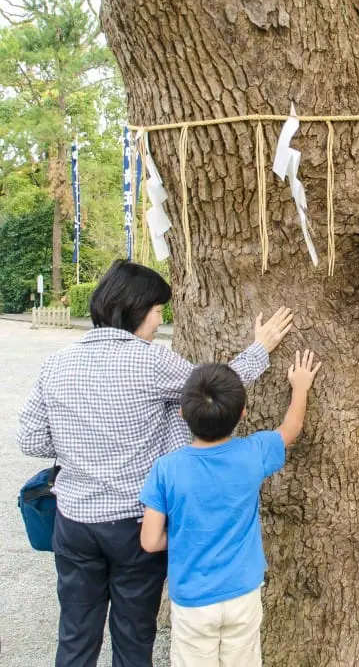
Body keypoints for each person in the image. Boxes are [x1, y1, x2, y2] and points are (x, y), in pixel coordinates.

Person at [17, 259, 293, 667]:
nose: (158, 320)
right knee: (133, 636)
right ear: (136, 310)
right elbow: (212, 391)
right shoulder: (150, 361)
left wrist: (81, 445)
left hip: (74, 522)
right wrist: (260, 349)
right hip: (134, 524)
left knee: (75, 633)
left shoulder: (56, 364)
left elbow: (31, 439)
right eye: (157, 311)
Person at [139, 349, 321, 667]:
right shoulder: (253, 454)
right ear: (242, 414)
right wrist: (301, 388)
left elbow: (150, 540)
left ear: (182, 413)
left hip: (193, 599)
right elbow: (290, 429)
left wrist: (180, 533)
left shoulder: (166, 468)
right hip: (242, 592)